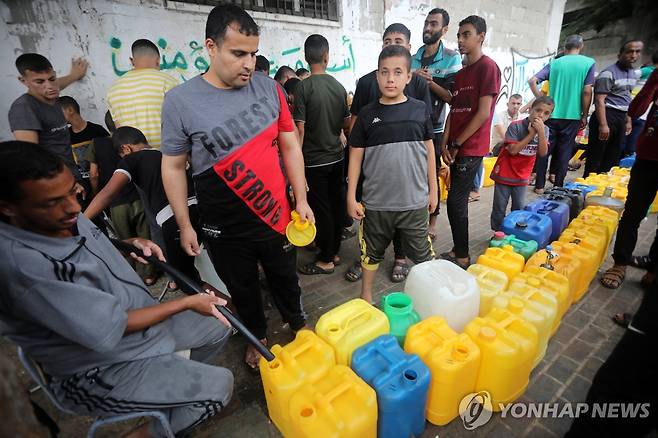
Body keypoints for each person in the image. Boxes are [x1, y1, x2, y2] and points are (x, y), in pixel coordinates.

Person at [0, 141, 233, 438]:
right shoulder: (24, 267)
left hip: (140, 330)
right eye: (51, 202)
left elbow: (86, 248)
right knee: (218, 389)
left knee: (220, 322)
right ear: (7, 207)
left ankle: (172, 396)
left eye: (73, 191)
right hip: (99, 369)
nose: (73, 207)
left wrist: (130, 244)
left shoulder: (59, 218)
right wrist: (186, 303)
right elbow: (113, 326)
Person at [160, 4, 313, 370]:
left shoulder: (270, 89)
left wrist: (302, 198)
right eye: (238, 53)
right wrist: (184, 224)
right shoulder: (180, 102)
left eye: (254, 53)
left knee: (284, 276)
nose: (248, 63)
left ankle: (299, 325)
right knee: (241, 286)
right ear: (211, 47)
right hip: (222, 222)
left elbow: (290, 145)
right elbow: (173, 166)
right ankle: (255, 336)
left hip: (276, 214)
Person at [347, 45, 438, 304]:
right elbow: (355, 155)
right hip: (376, 204)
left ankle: (430, 298)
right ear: (376, 76)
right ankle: (366, 296)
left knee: (423, 255)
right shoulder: (367, 114)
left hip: (414, 203)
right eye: (384, 72)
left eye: (398, 72)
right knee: (370, 254)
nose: (390, 78)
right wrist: (351, 196)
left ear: (409, 77)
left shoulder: (419, 109)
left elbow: (430, 151)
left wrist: (434, 190)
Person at [84, 126, 202, 294]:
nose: (122, 157)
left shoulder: (131, 159)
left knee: (188, 282)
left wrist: (81, 220)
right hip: (201, 207)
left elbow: (108, 193)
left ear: (126, 148)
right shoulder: (165, 154)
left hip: (174, 217)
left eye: (121, 154)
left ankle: (232, 313)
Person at [439, 15, 501, 269]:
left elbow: (484, 112)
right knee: (455, 200)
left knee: (455, 201)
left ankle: (462, 257)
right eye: (459, 35)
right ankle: (458, 248)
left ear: (481, 37)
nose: (461, 40)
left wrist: (456, 143)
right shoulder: (461, 74)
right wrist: (445, 141)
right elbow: (455, 111)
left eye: (467, 35)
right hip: (455, 145)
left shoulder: (488, 68)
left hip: (471, 147)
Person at [293, 35, 352, 275]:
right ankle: (334, 250)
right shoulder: (338, 87)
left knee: (322, 209)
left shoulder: (302, 87)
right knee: (336, 205)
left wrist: (296, 163)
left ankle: (326, 257)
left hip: (314, 162)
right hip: (337, 158)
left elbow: (300, 128)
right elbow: (346, 124)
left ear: (307, 58)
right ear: (327, 57)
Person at [601, 69, 658, 289]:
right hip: (647, 159)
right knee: (632, 213)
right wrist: (653, 83)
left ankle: (654, 266)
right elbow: (635, 110)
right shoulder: (654, 78)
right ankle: (620, 262)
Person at [85, 112, 157, 286]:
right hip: (140, 200)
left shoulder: (98, 144)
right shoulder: (155, 152)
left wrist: (86, 213)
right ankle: (149, 274)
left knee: (126, 241)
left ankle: (133, 277)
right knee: (145, 238)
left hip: (117, 204)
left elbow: (94, 176)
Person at [412, 8, 462, 235]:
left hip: (436, 129)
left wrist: (430, 82)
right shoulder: (412, 59)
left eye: (433, 24)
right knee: (414, 175)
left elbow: (452, 98)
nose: (428, 28)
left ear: (444, 29)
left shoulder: (452, 58)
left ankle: (432, 222)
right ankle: (414, 218)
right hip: (412, 127)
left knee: (433, 175)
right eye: (426, 23)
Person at [528, 35, 595, 192]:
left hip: (551, 115)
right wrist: (584, 115)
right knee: (564, 151)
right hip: (572, 116)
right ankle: (558, 185)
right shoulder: (588, 63)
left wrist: (542, 102)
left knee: (544, 148)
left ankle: (539, 186)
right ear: (581, 46)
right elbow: (587, 91)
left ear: (565, 47)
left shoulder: (555, 63)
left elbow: (532, 81)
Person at [8, 53, 88, 175]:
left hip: (72, 174)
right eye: (39, 81)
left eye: (52, 78)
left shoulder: (50, 92)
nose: (49, 86)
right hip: (55, 179)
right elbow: (31, 157)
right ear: (23, 81)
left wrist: (74, 75)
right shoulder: (24, 108)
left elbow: (57, 84)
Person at [490, 96, 553, 231]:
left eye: (546, 113)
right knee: (499, 208)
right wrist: (531, 135)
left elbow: (543, 153)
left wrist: (540, 132)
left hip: (522, 176)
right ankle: (498, 232)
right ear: (530, 110)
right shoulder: (516, 126)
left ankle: (513, 232)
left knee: (518, 208)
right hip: (505, 174)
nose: (541, 115)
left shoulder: (545, 130)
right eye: (538, 110)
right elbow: (513, 151)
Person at [583, 40, 644, 176]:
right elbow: (599, 100)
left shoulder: (633, 74)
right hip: (606, 115)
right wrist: (603, 125)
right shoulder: (608, 73)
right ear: (620, 54)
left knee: (613, 157)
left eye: (637, 52)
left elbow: (627, 98)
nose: (633, 55)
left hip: (621, 117)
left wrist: (628, 120)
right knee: (596, 157)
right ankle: (587, 187)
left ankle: (603, 189)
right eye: (630, 51)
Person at [106, 39, 179, 148]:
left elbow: (120, 131)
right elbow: (181, 123)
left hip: (132, 159)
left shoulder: (113, 89)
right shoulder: (168, 81)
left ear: (132, 61)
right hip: (166, 156)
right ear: (158, 60)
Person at [59, 95, 110, 187]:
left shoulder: (97, 130)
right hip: (82, 185)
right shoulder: (65, 137)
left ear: (70, 110)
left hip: (105, 180)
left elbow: (110, 153)